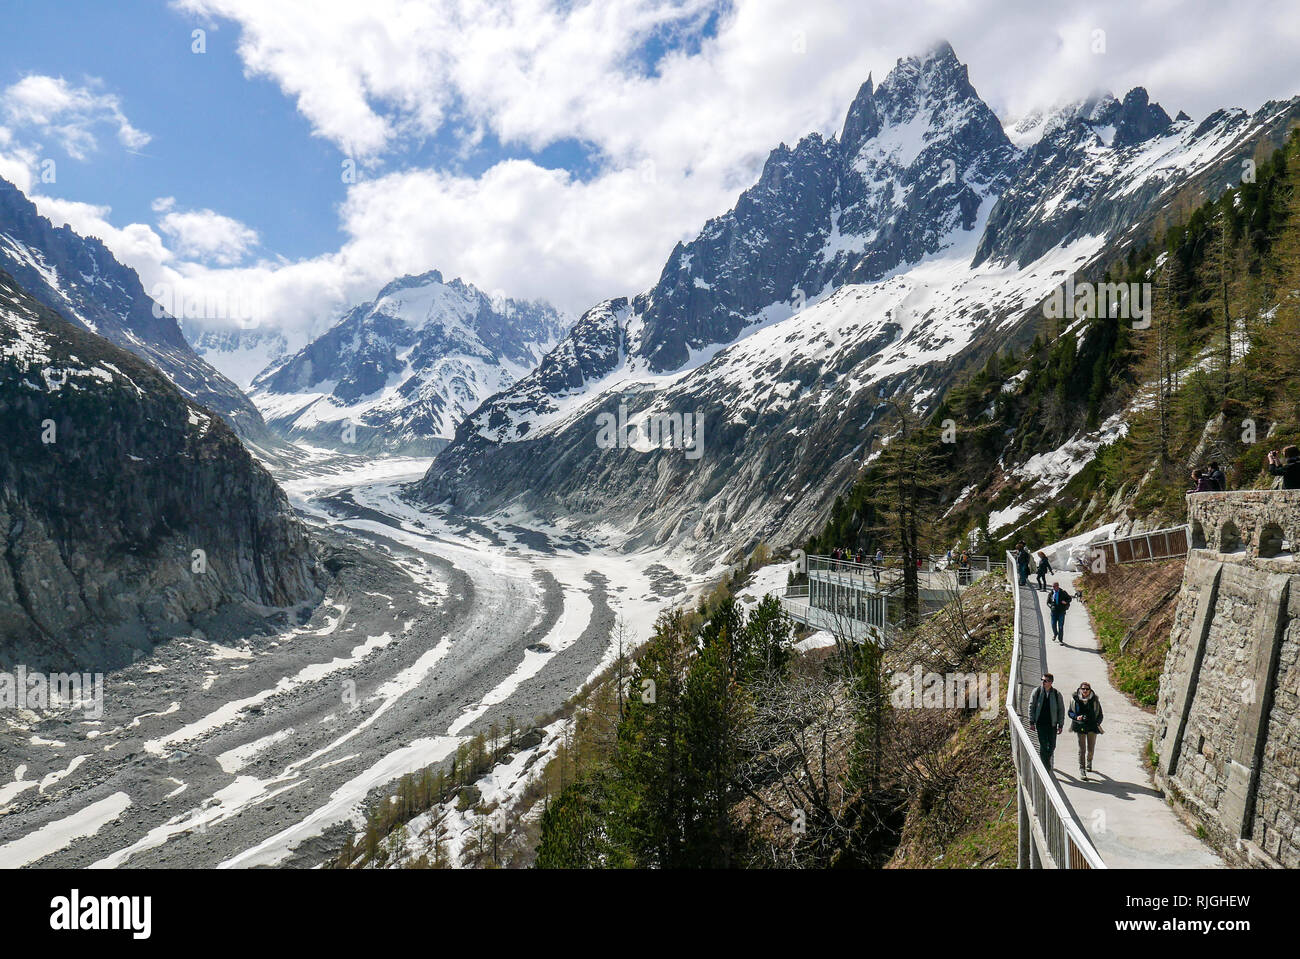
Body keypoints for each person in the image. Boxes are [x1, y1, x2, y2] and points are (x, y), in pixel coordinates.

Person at [1030, 673, 1065, 770]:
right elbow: (1031, 706)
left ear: (1051, 682)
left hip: (1052, 724)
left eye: (1045, 681)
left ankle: (1046, 761)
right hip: (1040, 724)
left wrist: (1061, 724)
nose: (1043, 682)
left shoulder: (1057, 694)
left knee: (1052, 746)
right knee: (1043, 745)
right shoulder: (1036, 692)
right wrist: (1031, 722)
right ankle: (1045, 767)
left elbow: (1061, 710)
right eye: (1042, 680)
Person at [1068, 682, 1104, 777]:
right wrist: (1076, 717)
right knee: (1082, 749)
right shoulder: (1074, 699)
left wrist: (1097, 723)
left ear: (1090, 690)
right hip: (1080, 727)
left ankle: (1089, 762)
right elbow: (1070, 712)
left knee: (1091, 749)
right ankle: (1082, 769)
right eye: (1083, 689)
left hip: (1092, 727)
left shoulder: (1095, 700)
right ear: (1080, 689)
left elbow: (1100, 714)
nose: (1085, 691)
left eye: (1087, 689)